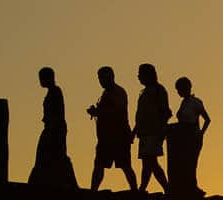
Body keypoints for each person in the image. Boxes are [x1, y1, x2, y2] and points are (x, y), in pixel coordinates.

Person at [88, 66, 136, 191]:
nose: (100, 81)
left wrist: (98, 111)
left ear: (110, 77)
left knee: (125, 165)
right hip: (106, 137)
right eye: (99, 78)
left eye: (102, 78)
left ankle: (135, 191)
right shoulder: (106, 93)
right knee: (99, 164)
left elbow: (116, 111)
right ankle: (93, 190)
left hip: (118, 136)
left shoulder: (118, 92)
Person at [28, 67, 78, 189]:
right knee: (53, 156)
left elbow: (57, 113)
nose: (40, 80)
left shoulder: (55, 92)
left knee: (57, 156)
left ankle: (69, 184)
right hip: (52, 128)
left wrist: (52, 127)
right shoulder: (52, 92)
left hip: (54, 129)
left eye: (41, 78)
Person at [167, 76, 210, 193]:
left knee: (191, 163)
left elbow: (207, 119)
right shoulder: (183, 103)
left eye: (179, 89)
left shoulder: (196, 102)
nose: (178, 92)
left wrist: (201, 133)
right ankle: (185, 186)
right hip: (182, 136)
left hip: (192, 136)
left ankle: (193, 186)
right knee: (184, 163)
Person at [132, 63, 171, 193]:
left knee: (150, 162)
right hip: (144, 132)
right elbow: (141, 115)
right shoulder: (145, 92)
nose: (138, 77)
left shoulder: (158, 90)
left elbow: (166, 112)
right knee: (148, 162)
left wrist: (161, 130)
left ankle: (145, 188)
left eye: (140, 74)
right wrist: (134, 131)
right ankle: (155, 188)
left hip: (153, 132)